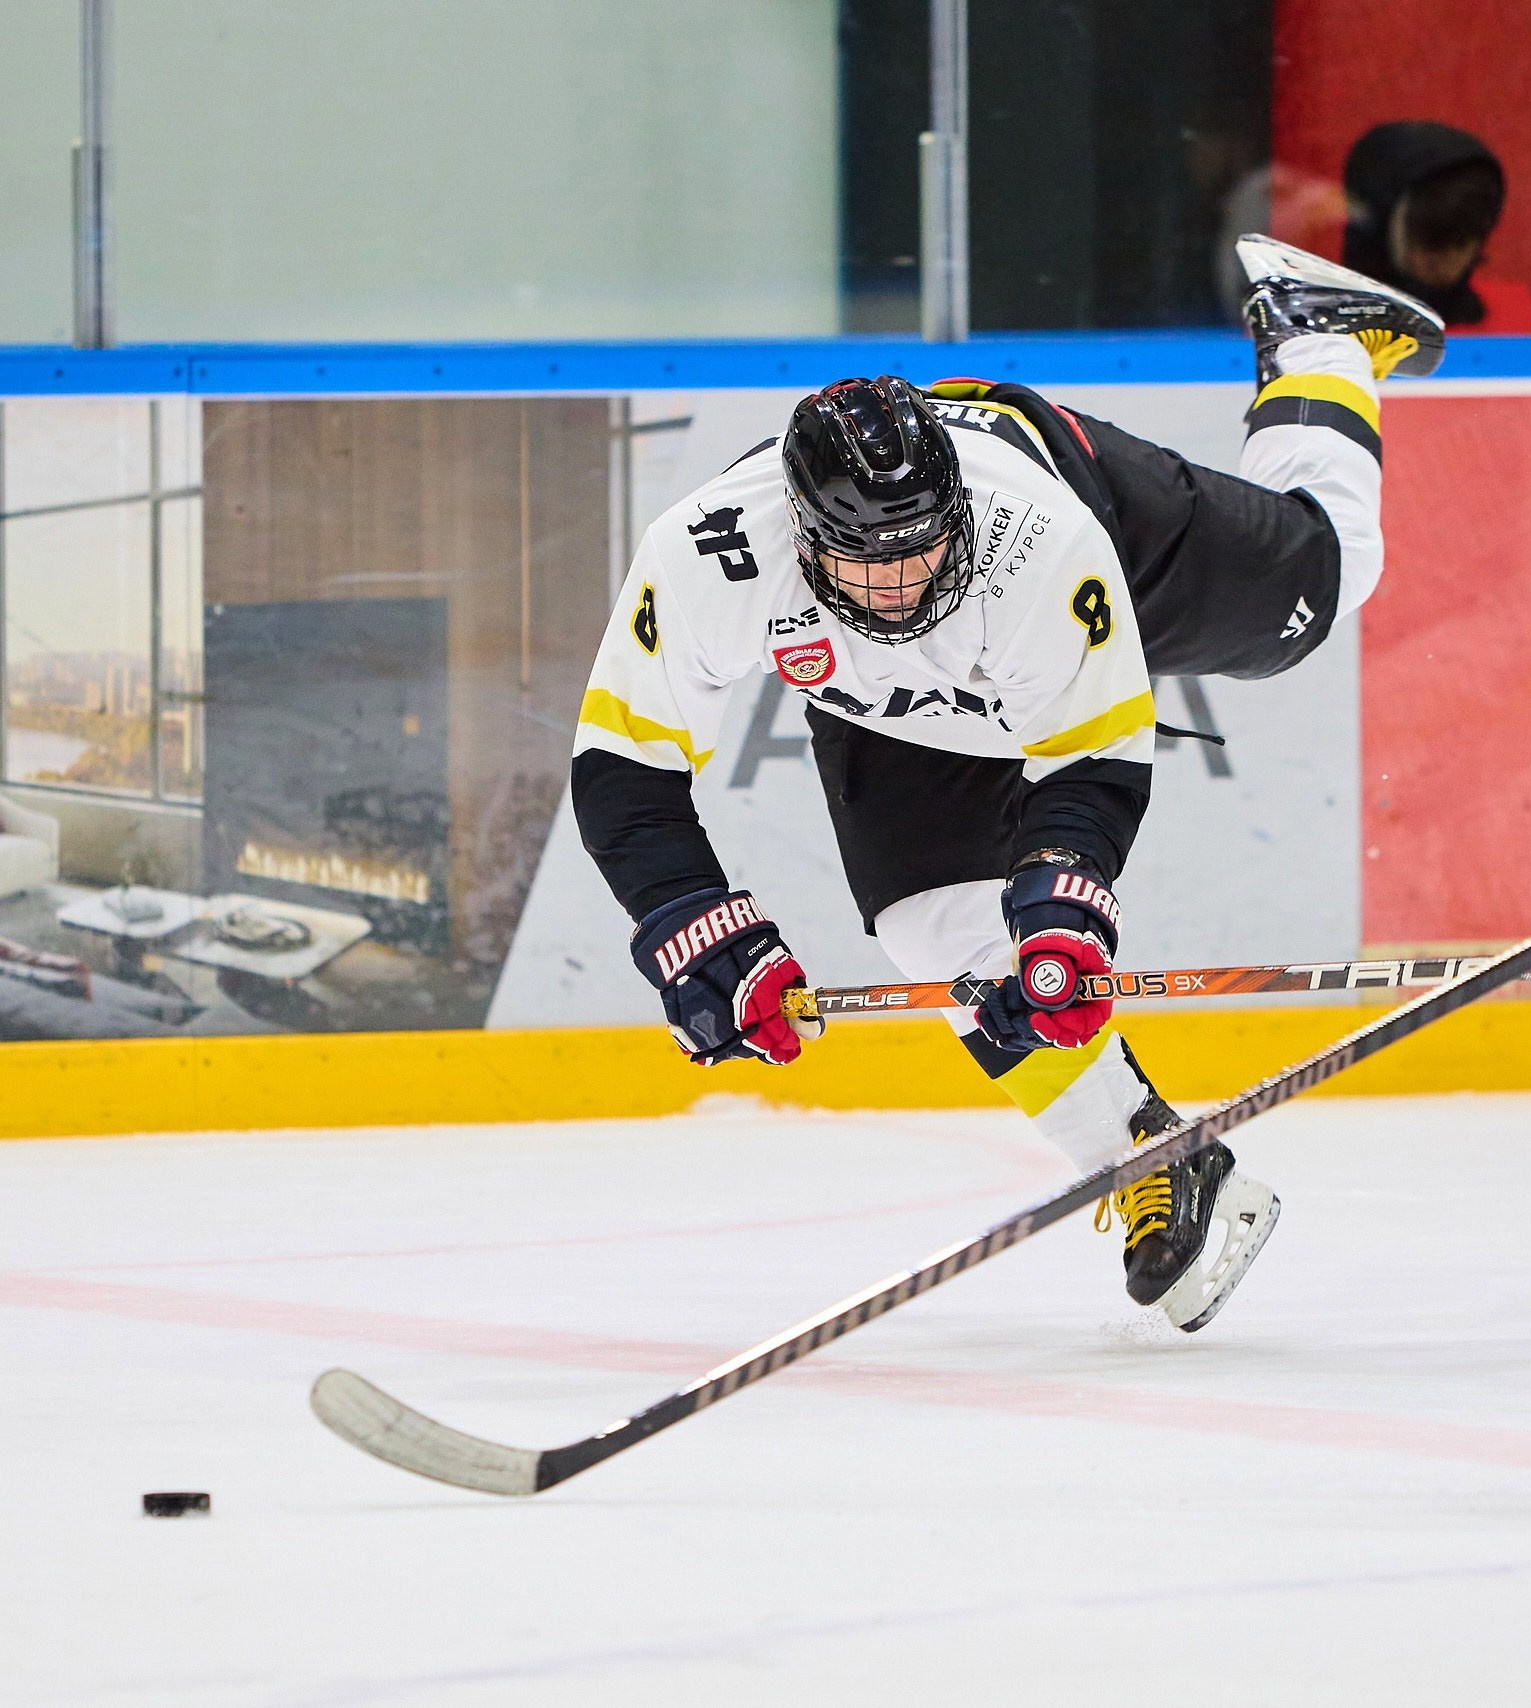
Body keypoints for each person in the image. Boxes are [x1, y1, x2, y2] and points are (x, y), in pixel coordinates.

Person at [570, 236, 1444, 1334]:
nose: (898, 587)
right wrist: (690, 925)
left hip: (1093, 513)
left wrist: (1065, 892)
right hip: (877, 705)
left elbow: (1090, 753)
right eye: (865, 560)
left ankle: (1317, 339)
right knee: (936, 930)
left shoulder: (1041, 541)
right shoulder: (706, 558)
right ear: (802, 537)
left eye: (921, 551)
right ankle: (1156, 1159)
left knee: (1321, 584)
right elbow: (623, 768)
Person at [1341, 121, 1531, 335]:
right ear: (1378, 231)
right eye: (1430, 240)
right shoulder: (1323, 331)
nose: (1446, 260)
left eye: (1462, 241)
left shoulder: (1514, 321)